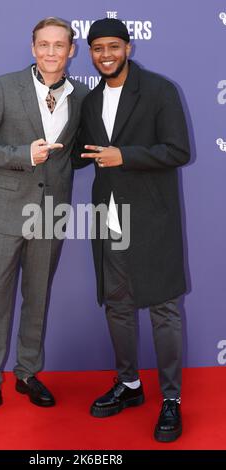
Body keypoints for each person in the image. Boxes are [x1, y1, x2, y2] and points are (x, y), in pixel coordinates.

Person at [0, 17, 88, 423]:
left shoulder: (83, 95)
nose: (51, 52)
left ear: (71, 50)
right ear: (33, 48)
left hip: (50, 213)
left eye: (59, 45)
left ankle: (28, 373)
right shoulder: (2, 86)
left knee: (38, 297)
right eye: (44, 44)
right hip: (3, 210)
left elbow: (77, 152)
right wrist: (23, 156)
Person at [73, 18, 190, 442]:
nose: (105, 55)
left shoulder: (159, 90)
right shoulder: (88, 102)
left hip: (153, 217)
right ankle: (130, 385)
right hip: (109, 217)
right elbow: (82, 155)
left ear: (128, 47)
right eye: (97, 48)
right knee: (118, 305)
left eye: (113, 47)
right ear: (91, 52)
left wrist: (126, 156)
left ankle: (171, 400)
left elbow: (178, 150)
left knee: (163, 309)